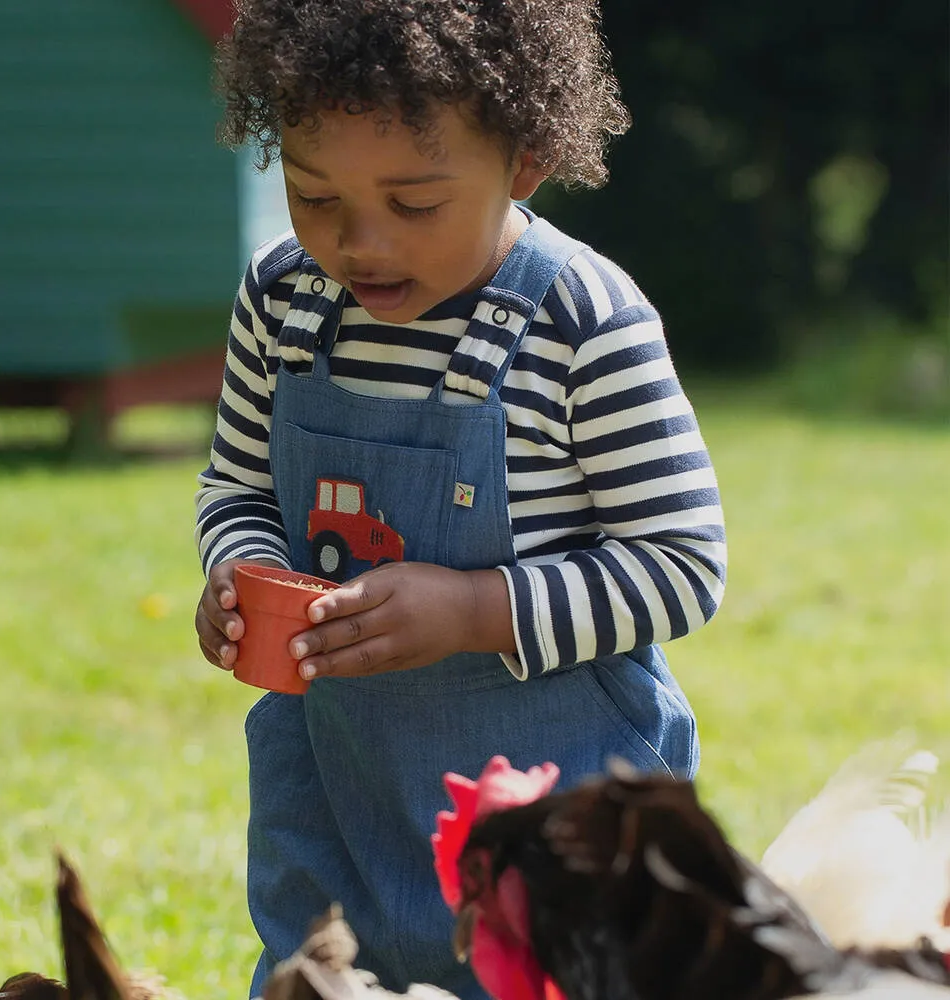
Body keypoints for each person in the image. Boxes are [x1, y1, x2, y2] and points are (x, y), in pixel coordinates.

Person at [193, 2, 727, 997]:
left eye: (415, 203)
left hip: (554, 804)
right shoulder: (282, 301)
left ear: (523, 161)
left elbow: (682, 564)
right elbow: (237, 485)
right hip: (336, 782)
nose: (360, 245)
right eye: (315, 198)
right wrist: (239, 571)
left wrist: (477, 609)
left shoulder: (581, 321)